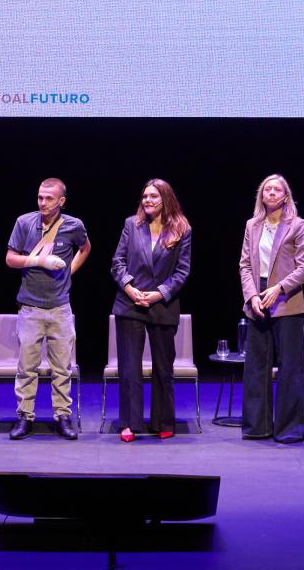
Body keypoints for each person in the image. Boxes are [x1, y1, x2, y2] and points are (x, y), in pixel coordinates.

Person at [4, 178, 92, 440]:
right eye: (40, 197)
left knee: (62, 366)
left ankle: (62, 416)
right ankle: (24, 416)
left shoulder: (73, 225)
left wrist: (69, 273)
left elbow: (86, 248)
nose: (43, 202)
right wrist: (39, 260)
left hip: (60, 308)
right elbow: (10, 259)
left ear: (61, 201)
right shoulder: (24, 222)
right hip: (30, 306)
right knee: (26, 366)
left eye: (49, 198)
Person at [109, 178, 193, 441]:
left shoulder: (182, 229)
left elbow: (182, 271)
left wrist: (158, 294)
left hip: (163, 304)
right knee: (130, 368)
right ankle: (130, 423)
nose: (147, 200)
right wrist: (130, 288)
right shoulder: (131, 225)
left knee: (163, 368)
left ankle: (163, 420)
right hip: (130, 302)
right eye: (145, 196)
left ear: (165, 199)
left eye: (153, 196)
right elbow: (117, 262)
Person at [238, 173, 304, 443]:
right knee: (256, 366)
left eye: (276, 189)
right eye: (267, 189)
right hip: (257, 301)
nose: (271, 192)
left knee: (290, 368)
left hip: (287, 301)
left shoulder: (297, 225)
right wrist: (251, 297)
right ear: (262, 195)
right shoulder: (252, 225)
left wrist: (279, 288)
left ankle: (289, 429)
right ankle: (257, 427)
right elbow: (245, 265)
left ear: (285, 196)